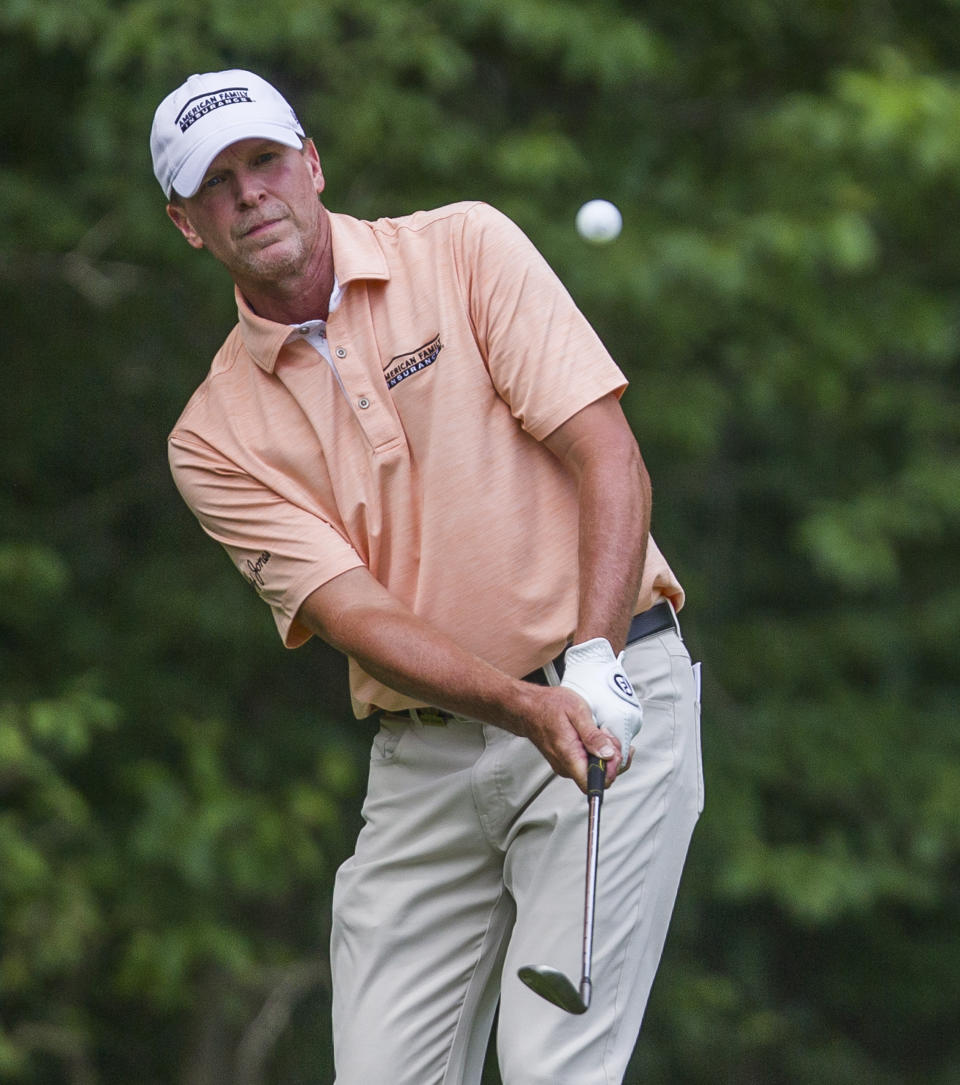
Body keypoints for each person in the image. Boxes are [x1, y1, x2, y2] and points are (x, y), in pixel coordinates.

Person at [150, 69, 703, 1085]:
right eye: (215, 183)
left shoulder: (463, 247)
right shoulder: (212, 436)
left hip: (607, 697)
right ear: (187, 223)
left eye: (264, 160)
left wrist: (593, 659)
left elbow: (606, 452)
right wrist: (516, 707)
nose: (249, 193)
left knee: (553, 1068)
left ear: (310, 164)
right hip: (427, 759)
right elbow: (353, 612)